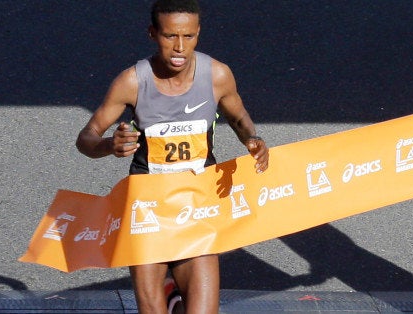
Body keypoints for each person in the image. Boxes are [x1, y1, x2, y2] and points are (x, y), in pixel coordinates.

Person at [75, 0, 269, 313]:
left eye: (188, 37)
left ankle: (175, 296)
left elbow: (239, 117)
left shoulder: (217, 75)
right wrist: (110, 145)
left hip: (198, 204)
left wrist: (253, 138)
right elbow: (86, 139)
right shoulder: (132, 82)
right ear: (152, 33)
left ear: (198, 33)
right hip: (149, 209)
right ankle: (169, 292)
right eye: (169, 37)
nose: (179, 48)